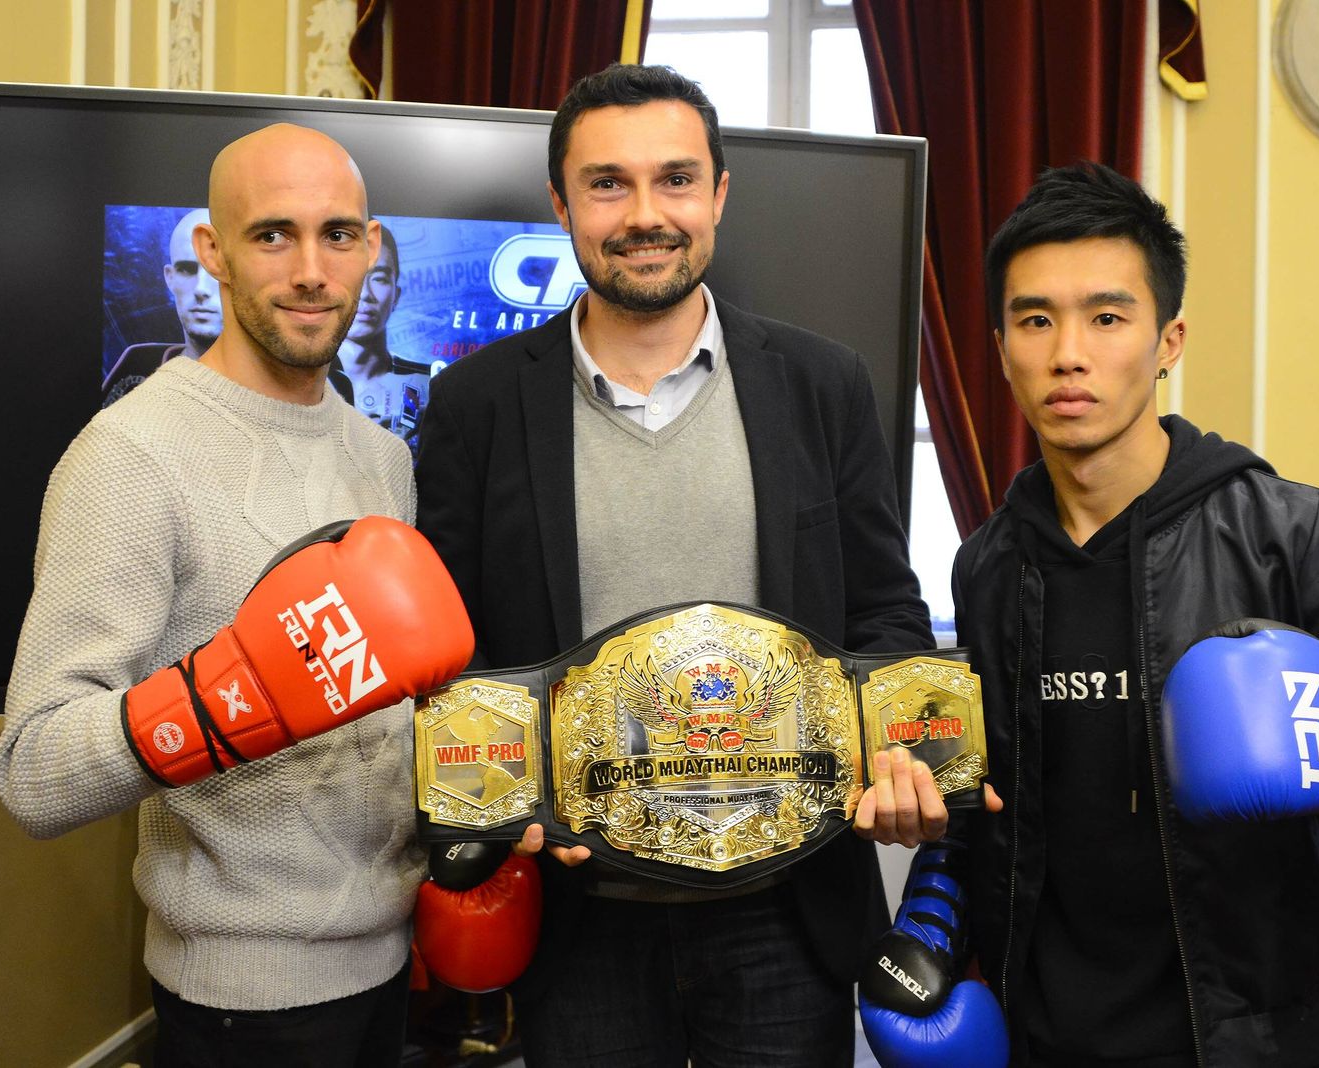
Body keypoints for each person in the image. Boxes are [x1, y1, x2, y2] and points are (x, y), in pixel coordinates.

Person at [415, 63, 973, 1066]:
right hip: (579, 917)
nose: (643, 215)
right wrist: (502, 799)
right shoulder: (477, 408)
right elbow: (453, 662)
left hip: (785, 912)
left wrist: (905, 757)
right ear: (562, 203)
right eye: (606, 184)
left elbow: (885, 613)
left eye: (674, 179)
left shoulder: (821, 383)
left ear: (718, 194)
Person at [948, 162, 1319, 1066]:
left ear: (1168, 341)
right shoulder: (987, 564)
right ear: (1000, 345)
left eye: (1107, 316)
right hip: (1042, 1037)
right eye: (1034, 319)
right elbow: (985, 810)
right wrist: (937, 936)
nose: (1068, 354)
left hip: (1235, 1043)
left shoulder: (1288, 533)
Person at [0, 123, 474, 1067]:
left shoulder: (379, 454)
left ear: (371, 249)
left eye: (338, 235)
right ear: (211, 250)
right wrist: (231, 698)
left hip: (389, 964)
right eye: (271, 235)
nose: (310, 270)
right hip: (238, 1001)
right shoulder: (130, 457)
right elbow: (32, 768)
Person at [102, 208, 222, 405]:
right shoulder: (135, 367)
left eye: (215, 271)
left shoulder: (273, 381)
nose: (201, 289)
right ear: (170, 278)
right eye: (186, 269)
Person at [336, 225, 431, 452]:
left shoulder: (432, 385)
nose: (365, 294)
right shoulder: (297, 384)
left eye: (378, 279)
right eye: (352, 277)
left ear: (396, 296)